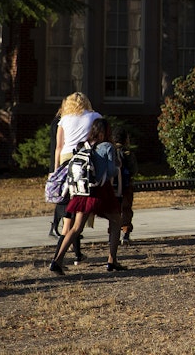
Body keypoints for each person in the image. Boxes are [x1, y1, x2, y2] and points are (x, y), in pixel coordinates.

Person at [50, 118, 125, 274]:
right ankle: (112, 260)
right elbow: (111, 172)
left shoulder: (83, 146)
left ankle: (57, 260)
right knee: (116, 221)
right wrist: (117, 164)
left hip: (83, 191)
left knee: (76, 228)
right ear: (106, 131)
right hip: (101, 191)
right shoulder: (108, 147)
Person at [51, 92, 102, 261]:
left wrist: (55, 171)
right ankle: (70, 255)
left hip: (66, 158)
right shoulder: (95, 116)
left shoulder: (64, 119)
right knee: (79, 207)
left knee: (69, 209)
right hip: (85, 160)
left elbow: (58, 147)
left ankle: (74, 254)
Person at [111, 126, 138, 244]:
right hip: (126, 186)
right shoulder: (127, 153)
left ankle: (112, 233)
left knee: (113, 210)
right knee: (126, 209)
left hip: (113, 186)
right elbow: (134, 169)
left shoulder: (110, 151)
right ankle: (125, 232)